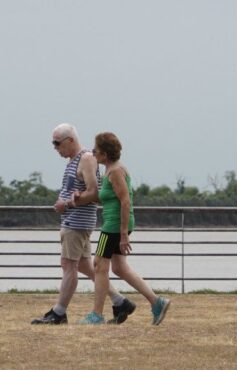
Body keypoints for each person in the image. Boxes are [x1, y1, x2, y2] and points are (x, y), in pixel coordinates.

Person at [31, 124, 136, 325]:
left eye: (57, 143)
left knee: (68, 266)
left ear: (70, 140)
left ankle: (59, 313)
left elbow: (94, 192)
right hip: (73, 220)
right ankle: (120, 301)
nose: (55, 148)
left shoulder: (86, 158)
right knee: (86, 267)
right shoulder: (73, 161)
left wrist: (68, 203)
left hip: (77, 222)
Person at [73, 132, 170, 325]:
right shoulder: (110, 170)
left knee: (99, 266)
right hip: (116, 225)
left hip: (114, 226)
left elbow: (125, 201)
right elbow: (107, 197)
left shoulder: (116, 171)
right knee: (119, 267)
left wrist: (124, 234)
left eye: (96, 150)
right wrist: (80, 196)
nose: (93, 153)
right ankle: (156, 302)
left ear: (105, 155)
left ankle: (96, 315)